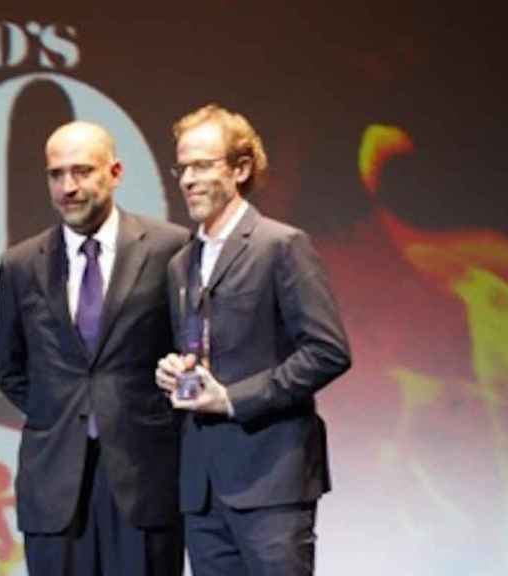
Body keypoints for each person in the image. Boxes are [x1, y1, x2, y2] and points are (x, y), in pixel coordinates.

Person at [155, 104, 351, 576]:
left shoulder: (280, 245)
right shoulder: (181, 262)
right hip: (202, 487)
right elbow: (201, 348)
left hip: (271, 482)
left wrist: (232, 399)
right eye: (183, 167)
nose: (187, 179)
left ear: (241, 168)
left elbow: (328, 351)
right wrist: (175, 374)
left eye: (203, 165)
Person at [0, 121, 188, 576]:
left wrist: (143, 416)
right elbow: (11, 368)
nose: (68, 187)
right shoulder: (20, 265)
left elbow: (190, 350)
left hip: (145, 476)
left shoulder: (169, 249)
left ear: (115, 172)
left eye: (81, 171)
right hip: (56, 483)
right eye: (56, 174)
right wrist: (64, 412)